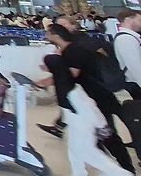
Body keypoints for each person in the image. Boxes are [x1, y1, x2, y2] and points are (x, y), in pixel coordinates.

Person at [41, 24, 134, 171]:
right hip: (89, 99)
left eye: (48, 33)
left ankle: (124, 169)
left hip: (95, 99)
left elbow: (71, 74)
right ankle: (114, 167)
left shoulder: (73, 51)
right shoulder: (69, 51)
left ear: (56, 35)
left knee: (107, 136)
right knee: (97, 138)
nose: (45, 35)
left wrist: (44, 80)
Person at [66, 80, 133, 176]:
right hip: (90, 108)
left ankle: (125, 170)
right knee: (78, 149)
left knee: (107, 142)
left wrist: (101, 125)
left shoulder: (74, 85)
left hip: (99, 104)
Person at [117, 9, 141, 98]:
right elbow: (135, 66)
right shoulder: (126, 39)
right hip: (136, 83)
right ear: (128, 20)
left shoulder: (130, 38)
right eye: (139, 20)